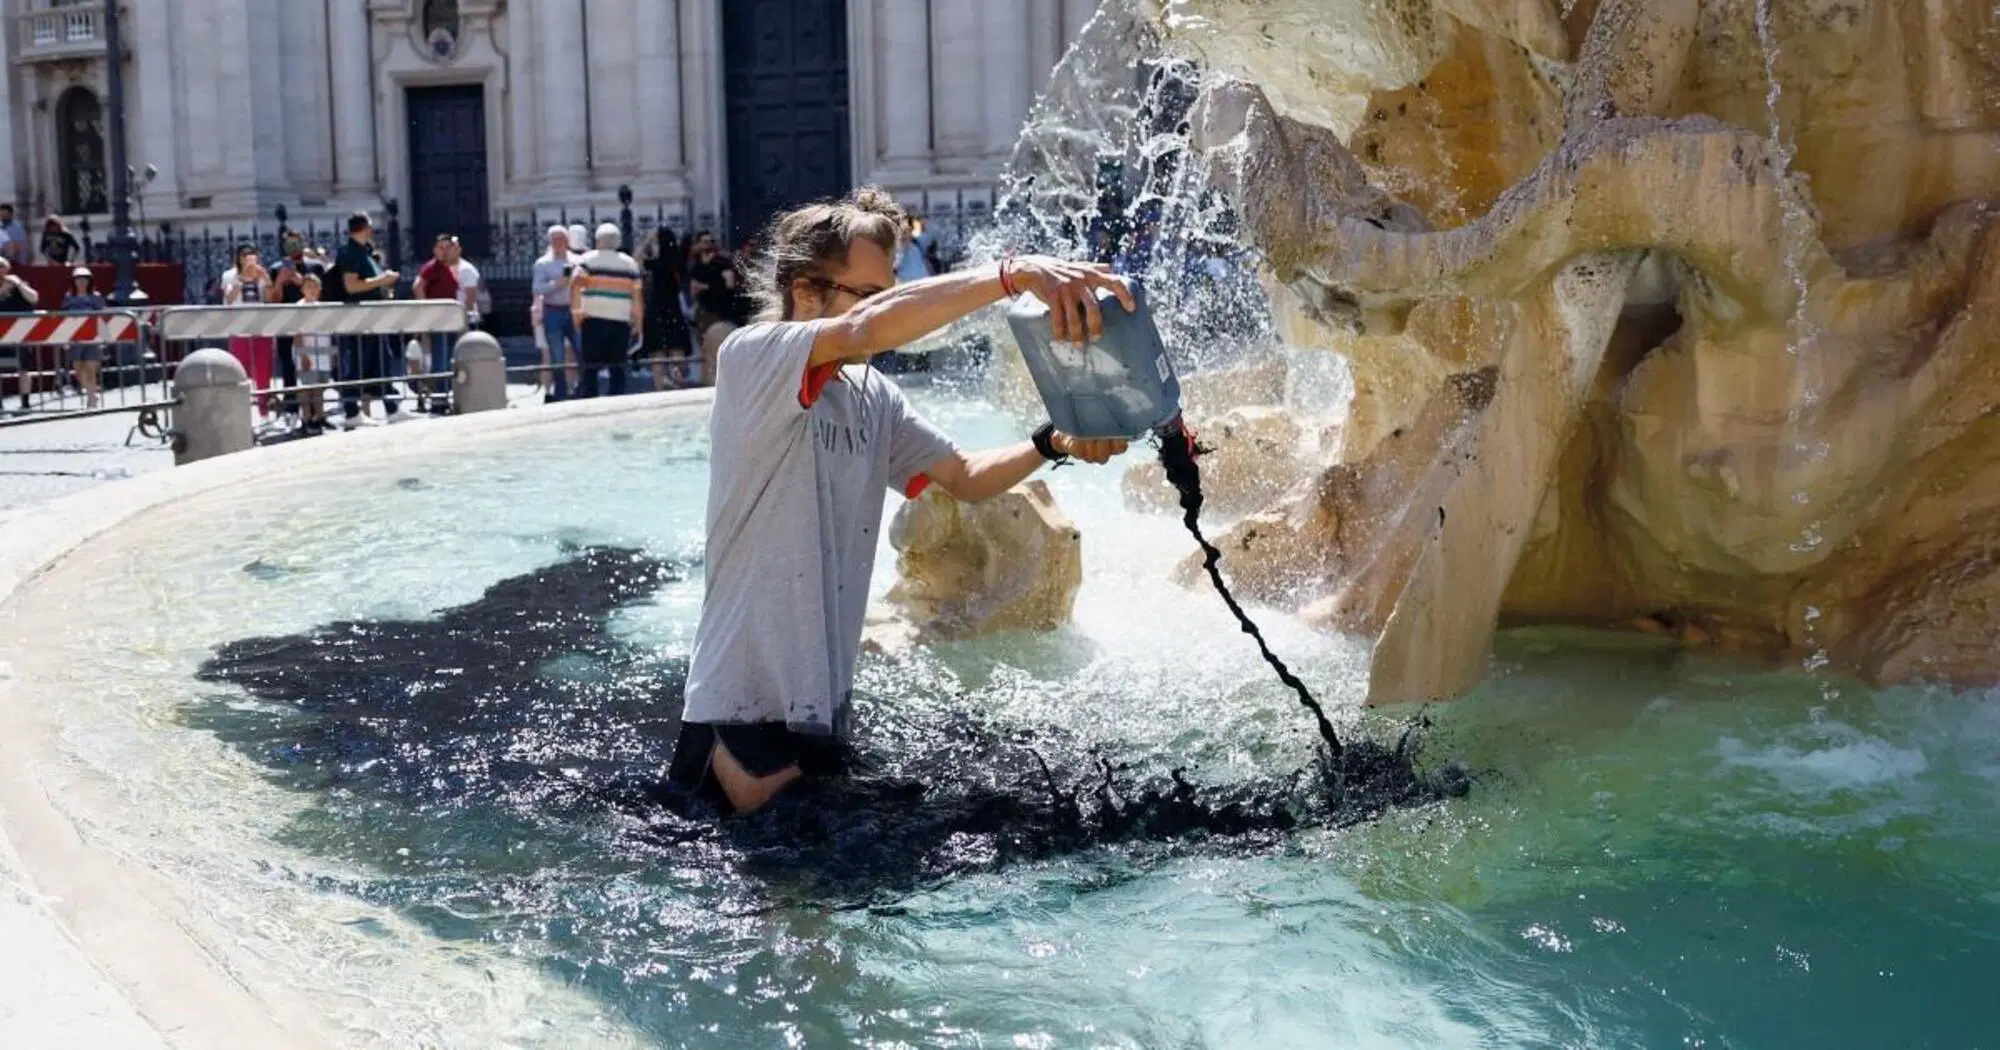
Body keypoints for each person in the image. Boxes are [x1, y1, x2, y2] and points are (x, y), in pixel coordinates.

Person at [664, 187, 1132, 815]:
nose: (892, 309)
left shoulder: (871, 393)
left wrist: (1054, 441)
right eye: (875, 291)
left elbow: (965, 475)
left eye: (894, 287)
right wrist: (1012, 275)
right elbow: (865, 327)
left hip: (820, 715)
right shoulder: (755, 357)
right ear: (806, 292)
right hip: (738, 714)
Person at [331, 211, 405, 427]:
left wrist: (382, 287)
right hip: (357, 320)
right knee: (355, 365)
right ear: (365, 228)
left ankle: (392, 409)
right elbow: (351, 286)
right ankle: (352, 413)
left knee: (381, 363)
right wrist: (383, 280)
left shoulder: (365, 252)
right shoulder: (350, 253)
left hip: (372, 319)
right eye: (370, 227)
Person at [571, 222, 643, 399]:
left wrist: (576, 312)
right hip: (620, 320)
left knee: (590, 366)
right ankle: (616, 401)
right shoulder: (630, 264)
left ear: (597, 241)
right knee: (618, 366)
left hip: (593, 319)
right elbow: (637, 295)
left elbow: (575, 285)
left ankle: (590, 399)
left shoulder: (586, 260)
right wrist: (639, 322)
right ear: (617, 241)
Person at [268, 230, 323, 422]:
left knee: (315, 369)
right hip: (287, 326)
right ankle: (292, 409)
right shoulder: (276, 269)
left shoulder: (314, 267)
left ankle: (317, 414)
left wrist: (301, 283)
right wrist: (279, 282)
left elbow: (322, 296)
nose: (293, 247)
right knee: (289, 368)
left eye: (296, 243)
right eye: (289, 244)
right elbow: (273, 301)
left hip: (312, 326)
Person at [221, 243, 276, 414]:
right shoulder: (229, 275)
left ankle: (263, 408)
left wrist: (266, 280)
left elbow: (269, 299)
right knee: (240, 369)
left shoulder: (260, 273)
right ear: (239, 259)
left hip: (260, 327)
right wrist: (241, 279)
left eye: (252, 256)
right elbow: (228, 300)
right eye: (245, 256)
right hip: (239, 329)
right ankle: (240, 409)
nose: (249, 260)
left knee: (263, 369)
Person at [413, 234, 463, 413]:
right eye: (440, 247)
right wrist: (427, 310)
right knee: (439, 360)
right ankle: (438, 398)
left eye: (447, 247)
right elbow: (418, 286)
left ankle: (443, 396)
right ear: (435, 249)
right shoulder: (431, 268)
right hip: (438, 320)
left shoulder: (449, 267)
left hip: (450, 320)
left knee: (447, 358)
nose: (444, 251)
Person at [531, 225, 581, 400]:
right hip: (553, 310)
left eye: (561, 239)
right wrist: (556, 284)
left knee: (580, 349)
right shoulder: (542, 263)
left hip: (573, 309)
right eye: (554, 240)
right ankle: (560, 391)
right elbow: (537, 288)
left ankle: (582, 388)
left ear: (567, 241)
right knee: (557, 354)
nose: (558, 243)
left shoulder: (577, 260)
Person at [640, 226, 691, 390]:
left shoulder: (656, 264)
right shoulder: (678, 262)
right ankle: (679, 384)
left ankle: (660, 388)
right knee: (677, 348)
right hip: (674, 308)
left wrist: (647, 240)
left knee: (658, 353)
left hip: (656, 310)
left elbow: (636, 259)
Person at [686, 230, 737, 386]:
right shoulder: (696, 265)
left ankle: (719, 381)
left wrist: (706, 287)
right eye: (705, 242)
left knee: (720, 346)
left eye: (710, 241)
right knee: (705, 347)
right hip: (704, 311)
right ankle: (707, 381)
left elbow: (729, 284)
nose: (708, 245)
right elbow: (693, 289)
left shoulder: (722, 262)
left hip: (720, 310)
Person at [59, 267, 106, 407]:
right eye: (78, 279)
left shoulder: (96, 297)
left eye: (84, 279)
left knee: (90, 369)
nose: (81, 282)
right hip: (75, 338)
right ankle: (91, 392)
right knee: (79, 369)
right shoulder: (68, 297)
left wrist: (103, 337)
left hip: (92, 338)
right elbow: (64, 318)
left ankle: (91, 398)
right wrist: (64, 338)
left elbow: (103, 316)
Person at [293, 273, 334, 433]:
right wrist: (303, 355)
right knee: (306, 388)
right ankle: (307, 419)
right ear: (303, 289)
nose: (312, 289)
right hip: (307, 352)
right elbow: (297, 333)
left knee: (319, 388)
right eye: (308, 286)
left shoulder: (322, 307)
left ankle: (319, 416)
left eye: (315, 286)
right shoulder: (299, 307)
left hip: (322, 352)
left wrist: (331, 354)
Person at [0, 256, 39, 412]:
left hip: (19, 333)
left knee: (23, 369)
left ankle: (25, 403)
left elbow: (34, 298)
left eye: (2, 267)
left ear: (7, 269)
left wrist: (18, 283)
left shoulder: (17, 284)